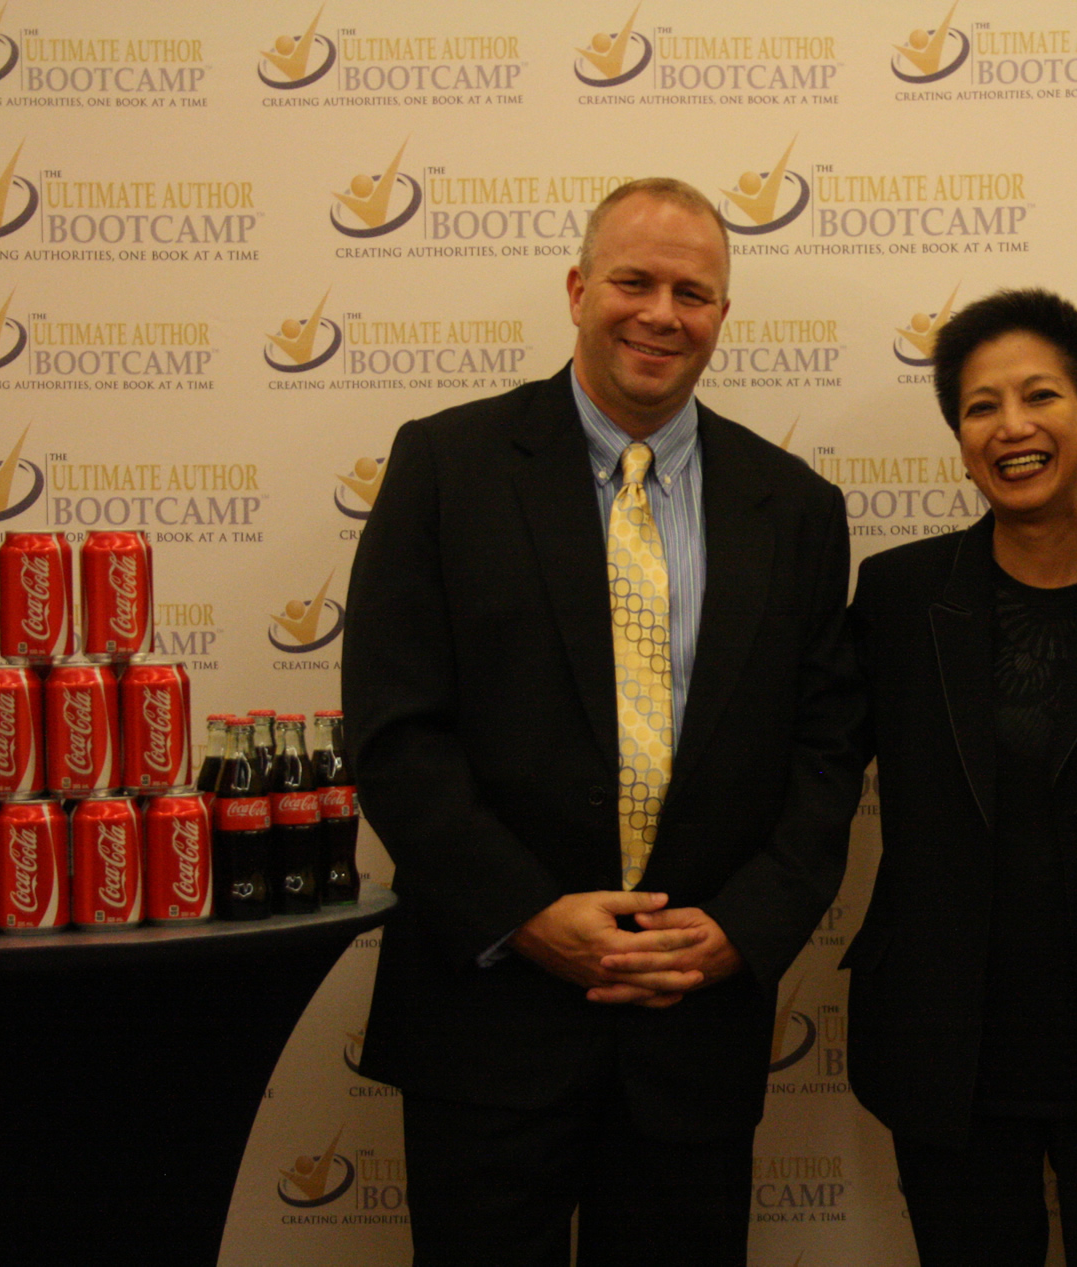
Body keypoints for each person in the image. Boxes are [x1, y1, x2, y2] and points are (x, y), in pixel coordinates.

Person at [342, 177, 866, 1267]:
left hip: (693, 1033)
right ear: (579, 289)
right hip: (487, 1023)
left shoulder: (796, 508)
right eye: (635, 281)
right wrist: (527, 914)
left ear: (722, 314)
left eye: (693, 293)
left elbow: (825, 758)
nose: (662, 314)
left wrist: (741, 930)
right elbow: (395, 733)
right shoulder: (445, 466)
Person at [843, 289, 1077, 1266]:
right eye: (981, 406)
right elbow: (815, 769)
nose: (1011, 425)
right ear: (960, 439)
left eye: (1040, 395)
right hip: (947, 1035)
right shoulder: (896, 594)